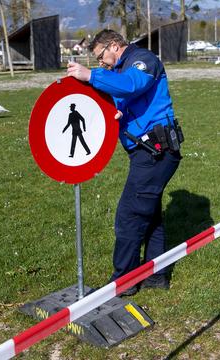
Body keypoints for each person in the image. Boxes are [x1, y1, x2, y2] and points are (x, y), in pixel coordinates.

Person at [67, 29, 182, 296]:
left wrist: (90, 76)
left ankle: (123, 283)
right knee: (149, 215)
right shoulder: (124, 67)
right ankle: (155, 276)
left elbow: (133, 84)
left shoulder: (142, 59)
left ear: (115, 46)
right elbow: (131, 95)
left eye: (101, 57)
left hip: (156, 153)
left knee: (129, 216)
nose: (101, 64)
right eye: (97, 62)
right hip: (151, 151)